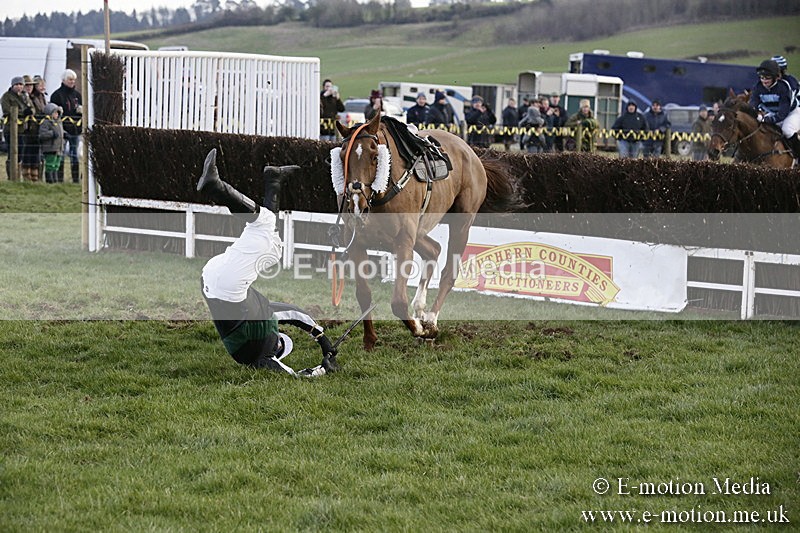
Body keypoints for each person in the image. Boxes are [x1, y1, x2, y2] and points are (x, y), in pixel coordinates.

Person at [196, 148, 338, 375]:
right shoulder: (257, 337)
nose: (280, 343)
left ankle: (218, 187)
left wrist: (324, 367)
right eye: (282, 341)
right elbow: (292, 314)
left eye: (282, 346)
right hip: (213, 280)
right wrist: (322, 340)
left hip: (227, 287)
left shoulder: (261, 356)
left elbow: (296, 376)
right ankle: (273, 180)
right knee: (268, 238)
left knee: (265, 230)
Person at [751, 58, 800, 158]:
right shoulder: (757, 87)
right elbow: (753, 104)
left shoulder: (784, 87)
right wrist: (754, 113)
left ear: (775, 77)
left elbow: (782, 113)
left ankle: (798, 155)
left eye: (767, 77)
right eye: (762, 77)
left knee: (787, 130)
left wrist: (766, 119)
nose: (764, 80)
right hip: (773, 113)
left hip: (791, 113)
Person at [50, 69, 82, 183]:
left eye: (74, 80)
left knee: (74, 155)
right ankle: (60, 179)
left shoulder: (77, 95)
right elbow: (53, 112)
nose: (72, 82)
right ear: (63, 80)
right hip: (62, 129)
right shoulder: (56, 95)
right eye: (70, 79)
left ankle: (75, 180)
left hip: (75, 130)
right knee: (61, 155)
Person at [1, 76, 28, 179]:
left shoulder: (24, 97)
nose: (19, 87)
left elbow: (30, 108)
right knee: (12, 152)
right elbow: (7, 111)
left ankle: (17, 174)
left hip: (22, 129)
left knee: (21, 152)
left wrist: (29, 111)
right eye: (17, 84)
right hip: (10, 129)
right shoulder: (6, 97)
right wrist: (22, 113)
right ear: (12, 86)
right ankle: (11, 175)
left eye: (21, 84)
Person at [38, 103, 64, 184]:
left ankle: (55, 181)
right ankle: (49, 181)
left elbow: (60, 132)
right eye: (55, 113)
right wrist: (52, 134)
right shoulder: (46, 122)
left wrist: (64, 134)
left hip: (58, 148)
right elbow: (42, 134)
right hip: (50, 147)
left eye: (57, 113)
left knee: (56, 165)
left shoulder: (59, 122)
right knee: (50, 165)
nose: (56, 115)